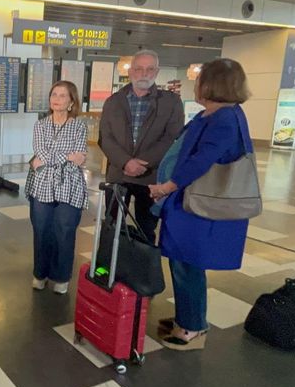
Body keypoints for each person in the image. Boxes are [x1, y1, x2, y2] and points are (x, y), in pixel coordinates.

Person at [148, 58, 253, 350]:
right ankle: (186, 318)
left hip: (198, 207)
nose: (195, 85)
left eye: (199, 80)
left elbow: (201, 160)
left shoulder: (224, 119)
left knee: (188, 263)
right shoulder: (212, 114)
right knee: (181, 261)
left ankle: (193, 328)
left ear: (212, 85)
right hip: (187, 203)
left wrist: (168, 186)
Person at [99, 49, 184, 243]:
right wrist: (126, 162)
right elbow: (105, 137)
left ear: (157, 71)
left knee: (146, 229)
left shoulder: (171, 102)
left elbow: (172, 138)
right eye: (138, 69)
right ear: (130, 72)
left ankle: (141, 262)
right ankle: (113, 262)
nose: (144, 74)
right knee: (112, 226)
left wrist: (143, 163)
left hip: (151, 177)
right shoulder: (114, 101)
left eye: (149, 69)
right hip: (118, 175)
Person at [26, 81, 89, 295]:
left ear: (72, 101)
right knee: (41, 230)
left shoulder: (79, 126)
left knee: (65, 231)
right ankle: (40, 273)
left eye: (63, 95)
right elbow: (40, 151)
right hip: (42, 184)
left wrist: (50, 159)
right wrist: (68, 156)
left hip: (70, 185)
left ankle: (62, 277)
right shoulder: (40, 125)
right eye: (54, 94)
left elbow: (78, 158)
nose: (57, 99)